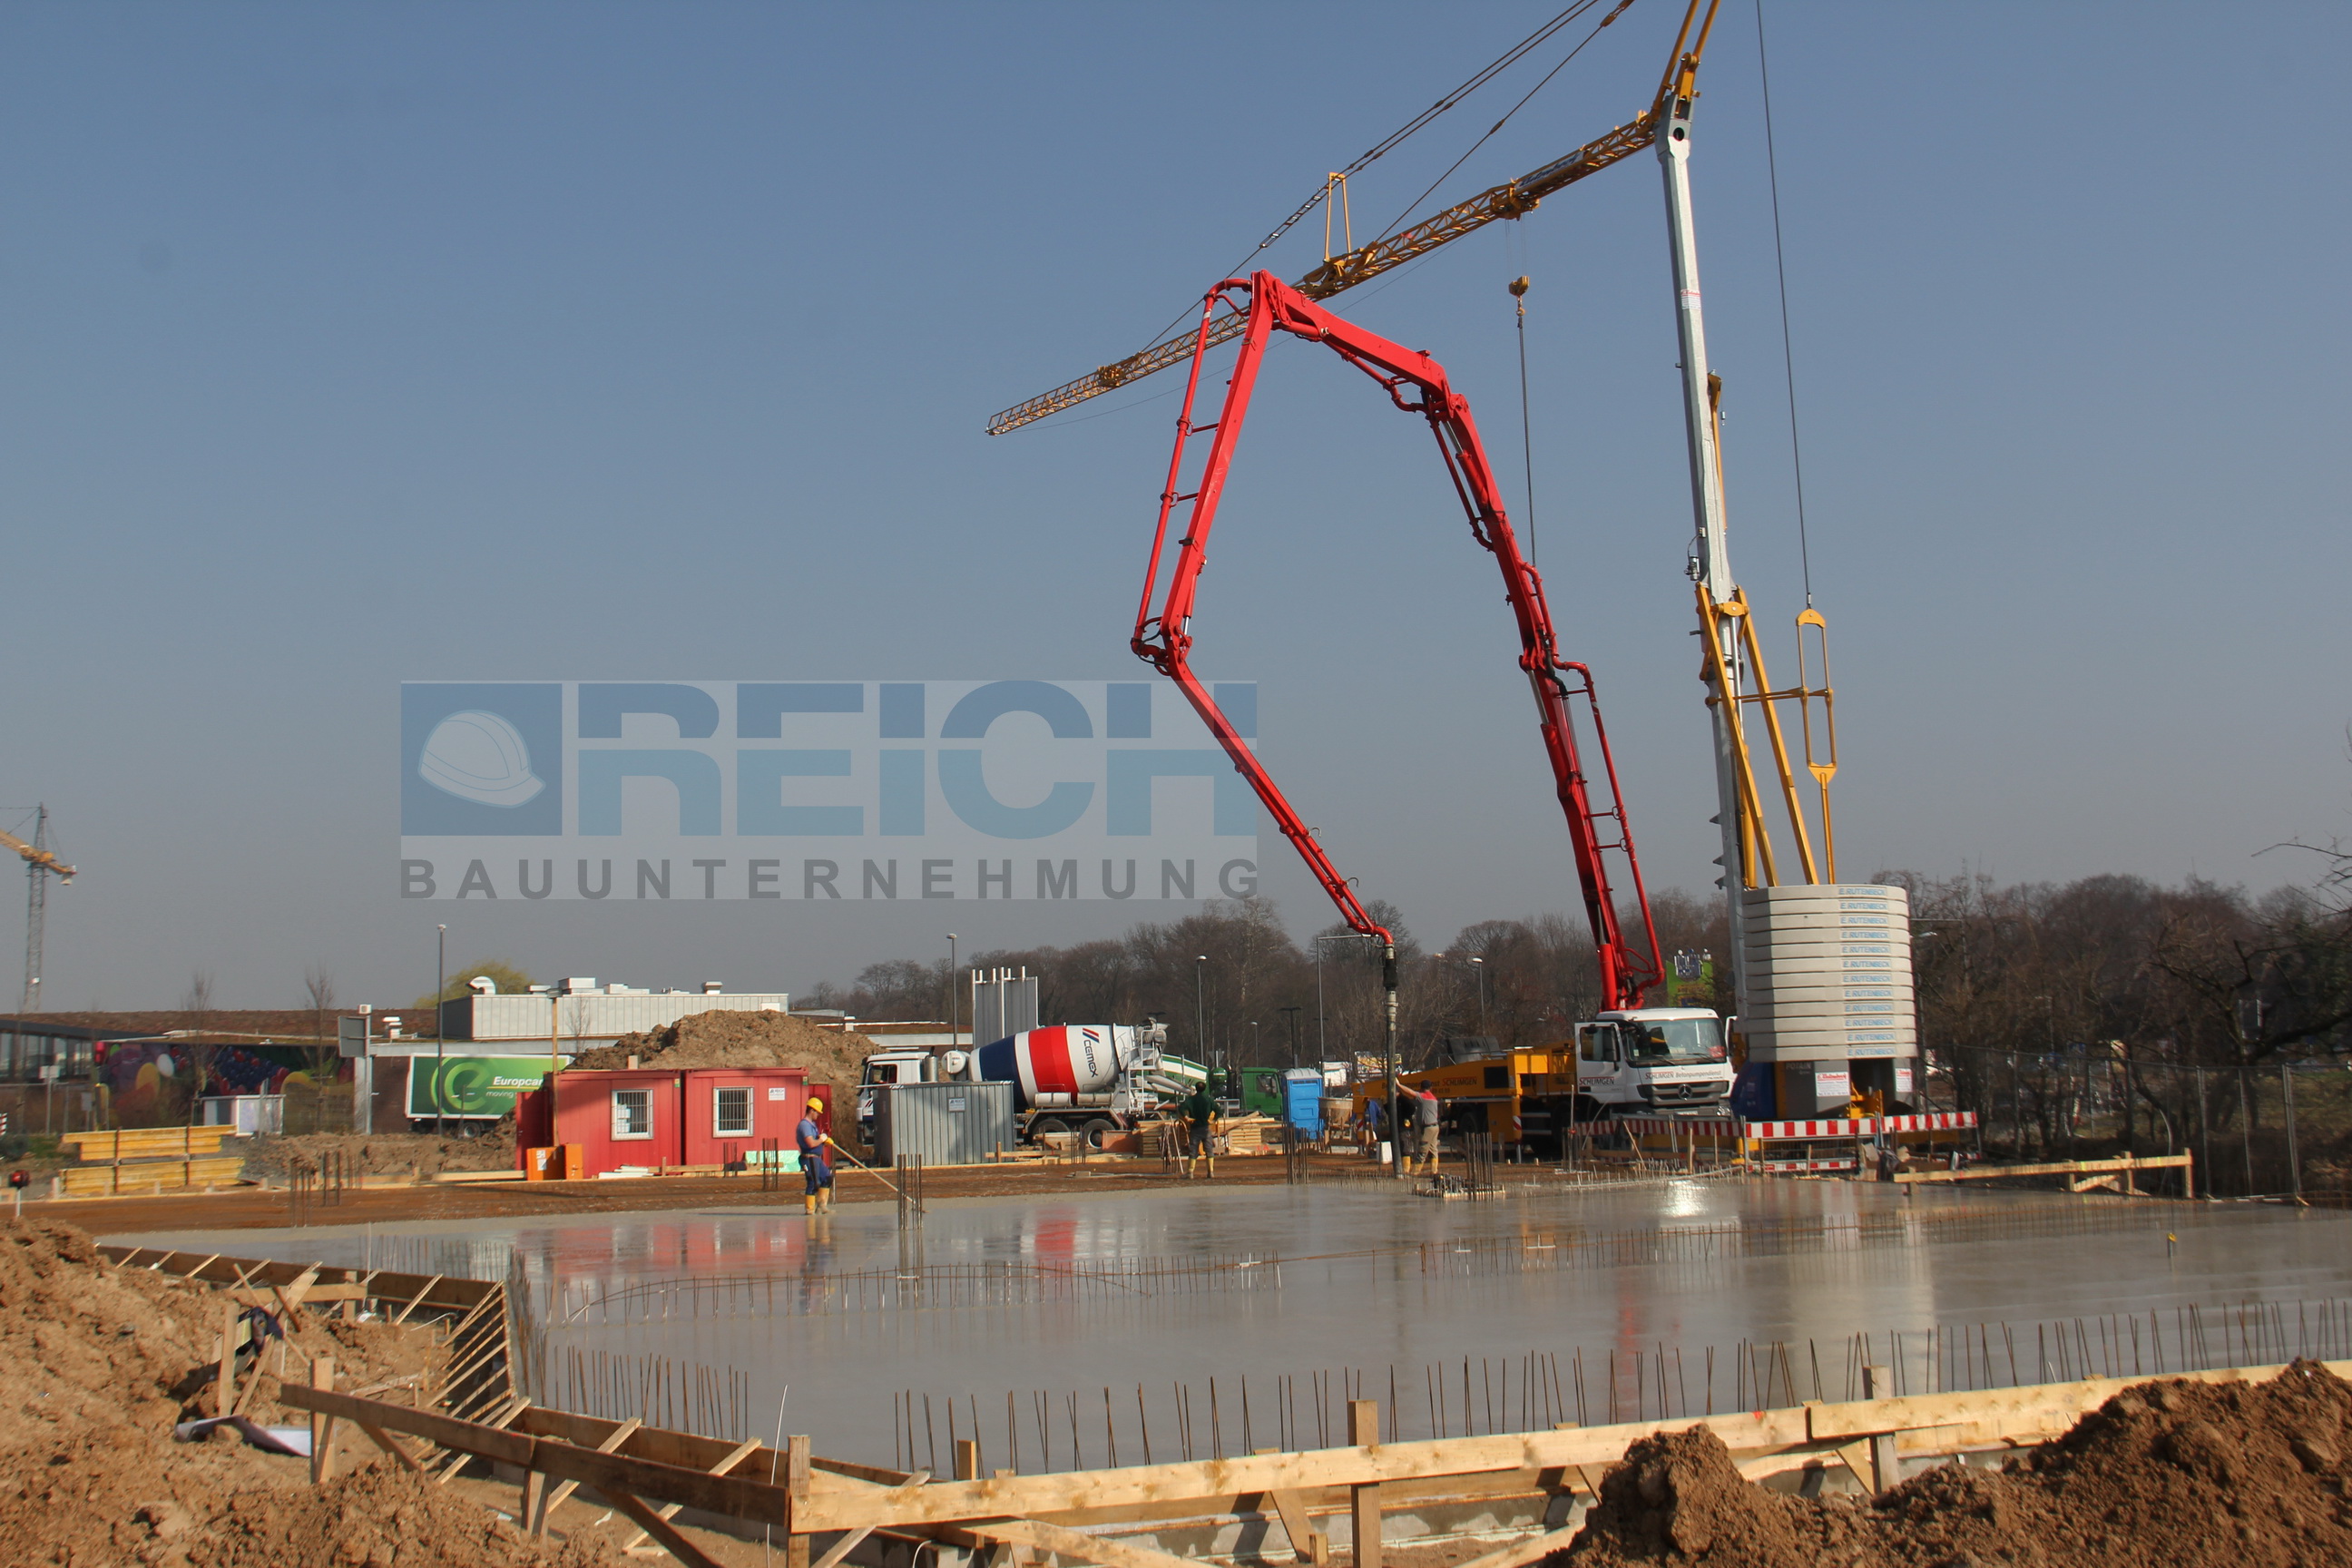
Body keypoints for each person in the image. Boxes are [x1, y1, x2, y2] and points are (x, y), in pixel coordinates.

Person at [797, 1096, 837, 1214]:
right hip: (809, 1158)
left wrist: (824, 1142)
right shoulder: (804, 1125)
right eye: (817, 1113)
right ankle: (809, 1209)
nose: (818, 1115)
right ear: (811, 1110)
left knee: (827, 1178)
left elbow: (816, 1141)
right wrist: (821, 1140)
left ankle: (822, 1206)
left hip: (817, 1158)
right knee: (814, 1183)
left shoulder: (812, 1125)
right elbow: (810, 1143)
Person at [1180, 1076, 1219, 1181]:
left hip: (1195, 1128)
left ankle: (1190, 1173)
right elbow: (1219, 1110)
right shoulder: (1209, 1100)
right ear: (1205, 1089)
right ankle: (1211, 1172)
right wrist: (1213, 1120)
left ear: (1196, 1089)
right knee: (1209, 1150)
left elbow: (1181, 1107)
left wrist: (1187, 1117)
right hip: (1206, 1128)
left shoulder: (1191, 1100)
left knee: (1193, 1151)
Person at [1413, 1084, 1442, 1174]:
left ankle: (1416, 1171)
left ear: (1421, 1088)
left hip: (1428, 1128)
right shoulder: (1434, 1098)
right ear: (1431, 1088)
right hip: (1435, 1126)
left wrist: (1398, 1085)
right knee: (1433, 1149)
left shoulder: (1423, 1097)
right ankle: (1434, 1171)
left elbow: (1410, 1092)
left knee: (1423, 1149)